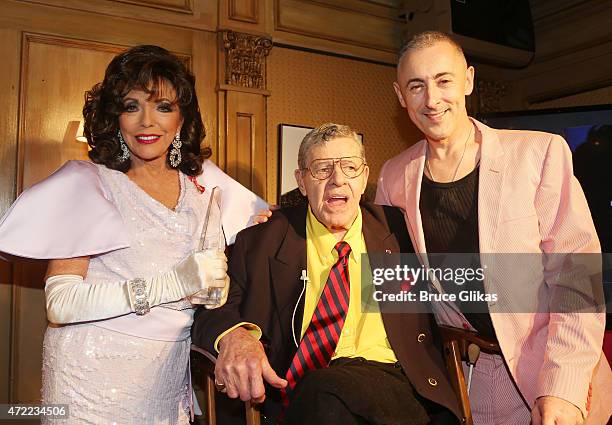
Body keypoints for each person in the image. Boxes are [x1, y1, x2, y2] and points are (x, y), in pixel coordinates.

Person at [0, 45, 267, 424]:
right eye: (131, 106)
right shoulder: (89, 184)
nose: (147, 122)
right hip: (90, 377)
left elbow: (258, 238)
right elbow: (61, 303)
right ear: (114, 116)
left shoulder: (203, 184)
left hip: (167, 378)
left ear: (181, 117)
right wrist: (173, 283)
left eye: (163, 106)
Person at [376, 31, 612, 424]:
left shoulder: (539, 153)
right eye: (417, 86)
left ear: (468, 80)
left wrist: (562, 390)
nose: (432, 100)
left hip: (553, 374)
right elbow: (393, 282)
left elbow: (577, 280)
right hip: (467, 381)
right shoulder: (394, 176)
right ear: (401, 96)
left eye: (444, 80)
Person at [192, 123, 461, 425]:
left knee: (325, 389)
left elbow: (469, 276)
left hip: (394, 385)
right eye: (322, 169)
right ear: (302, 182)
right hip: (304, 394)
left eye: (350, 167)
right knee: (323, 393)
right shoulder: (263, 240)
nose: (338, 180)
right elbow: (211, 310)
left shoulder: (400, 230)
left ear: (365, 178)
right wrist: (234, 337)